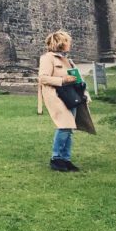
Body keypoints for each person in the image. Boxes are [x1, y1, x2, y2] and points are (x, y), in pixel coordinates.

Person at [37, 30, 96, 171]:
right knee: (64, 126)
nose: (70, 44)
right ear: (61, 43)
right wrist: (62, 80)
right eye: (68, 41)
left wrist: (85, 94)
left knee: (69, 127)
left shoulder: (68, 61)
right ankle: (56, 158)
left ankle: (66, 159)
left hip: (71, 97)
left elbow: (78, 79)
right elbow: (42, 78)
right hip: (56, 96)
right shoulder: (47, 58)